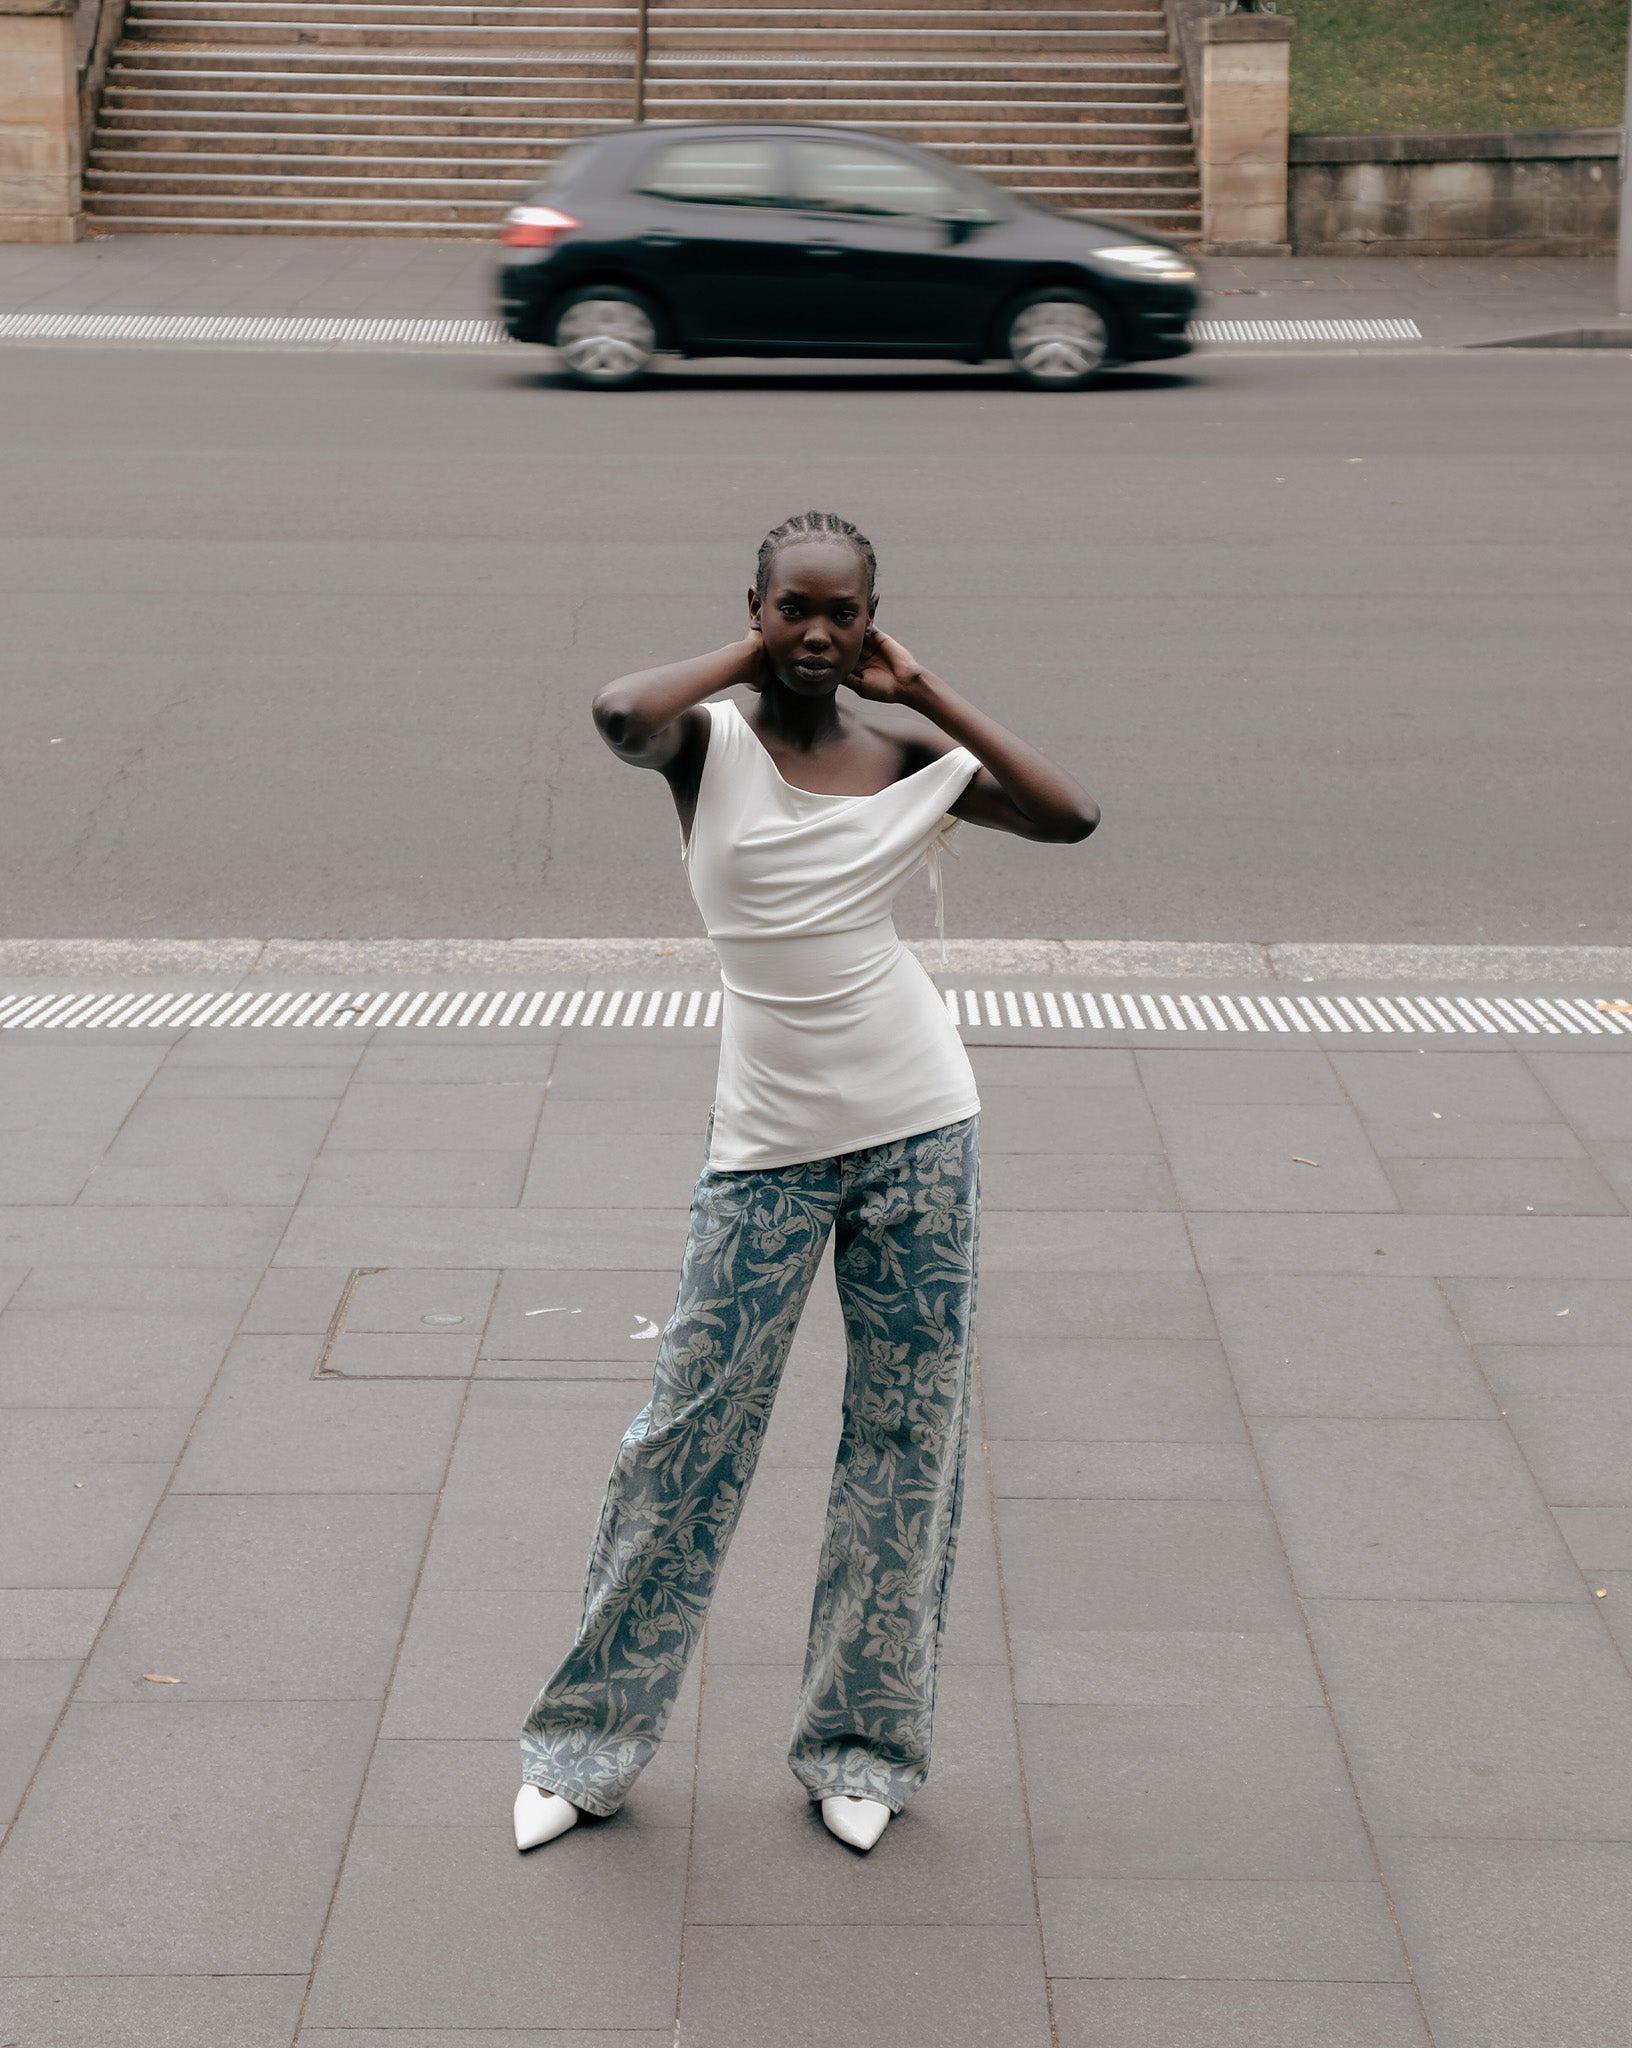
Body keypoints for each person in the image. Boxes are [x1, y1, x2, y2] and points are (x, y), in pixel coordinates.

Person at [515, 510, 1097, 1856]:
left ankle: (862, 1749)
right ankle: (585, 1746)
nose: (820, 634)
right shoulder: (706, 743)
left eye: (845, 613)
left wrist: (926, 688)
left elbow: (1071, 817)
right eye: (796, 610)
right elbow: (615, 711)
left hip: (919, 1128)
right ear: (762, 608)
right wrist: (749, 658)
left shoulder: (908, 752)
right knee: (684, 1442)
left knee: (904, 1448)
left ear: (877, 617)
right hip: (764, 1150)